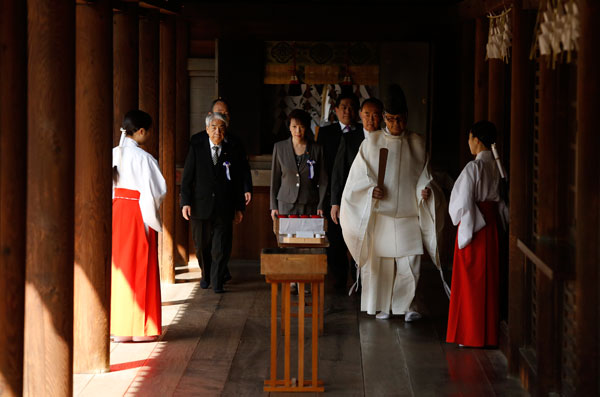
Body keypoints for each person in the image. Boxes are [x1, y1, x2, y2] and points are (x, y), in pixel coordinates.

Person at [340, 84, 444, 321]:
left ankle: (407, 306)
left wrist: (425, 192)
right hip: (383, 215)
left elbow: (425, 176)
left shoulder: (417, 143)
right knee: (382, 265)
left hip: (409, 214)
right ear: (385, 118)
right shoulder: (371, 143)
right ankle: (384, 306)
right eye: (390, 119)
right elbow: (357, 179)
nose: (395, 125)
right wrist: (369, 191)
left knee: (410, 263)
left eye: (400, 119)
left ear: (406, 117)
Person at [446, 121, 506, 347]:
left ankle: (470, 334)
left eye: (469, 138)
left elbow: (460, 203)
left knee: (471, 281)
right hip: (490, 227)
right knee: (488, 279)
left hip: (475, 225)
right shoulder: (497, 166)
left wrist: (465, 225)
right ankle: (487, 334)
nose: (468, 142)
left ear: (477, 140)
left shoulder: (475, 168)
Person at [111, 110, 167, 342]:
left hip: (116, 211)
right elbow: (157, 191)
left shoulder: (113, 154)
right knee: (140, 265)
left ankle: (121, 329)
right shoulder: (144, 158)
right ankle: (141, 329)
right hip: (136, 212)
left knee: (119, 269)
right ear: (142, 131)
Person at [181, 112, 245, 293]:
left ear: (226, 130)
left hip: (224, 207)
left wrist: (239, 207)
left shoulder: (231, 149)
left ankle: (217, 281)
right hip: (200, 206)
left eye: (221, 127)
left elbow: (238, 181)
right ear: (207, 129)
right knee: (201, 246)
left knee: (221, 246)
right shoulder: (197, 148)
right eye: (214, 127)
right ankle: (206, 274)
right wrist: (185, 202)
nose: (218, 131)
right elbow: (187, 178)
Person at [317, 92, 361, 291]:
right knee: (335, 240)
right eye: (343, 106)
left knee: (358, 240)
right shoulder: (326, 133)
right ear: (335, 110)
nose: (347, 110)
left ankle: (358, 279)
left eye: (351, 107)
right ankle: (339, 280)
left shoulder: (363, 132)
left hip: (357, 196)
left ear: (358, 111)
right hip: (333, 195)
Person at [330, 97, 383, 223]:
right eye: (367, 114)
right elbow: (339, 172)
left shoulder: (387, 140)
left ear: (382, 116)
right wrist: (335, 203)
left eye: (375, 115)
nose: (370, 119)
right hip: (354, 198)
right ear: (360, 114)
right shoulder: (349, 139)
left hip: (380, 199)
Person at [191, 98, 253, 206]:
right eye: (220, 113)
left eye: (226, 114)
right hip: (203, 199)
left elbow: (243, 168)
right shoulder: (197, 140)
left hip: (227, 198)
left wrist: (246, 188)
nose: (223, 117)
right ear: (210, 115)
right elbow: (190, 171)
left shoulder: (235, 142)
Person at [270, 109, 327, 219]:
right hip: (285, 204)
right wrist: (273, 206)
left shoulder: (317, 149)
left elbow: (323, 180)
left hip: (310, 204)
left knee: (307, 236)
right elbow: (275, 179)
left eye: (301, 126)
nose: (298, 131)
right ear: (289, 127)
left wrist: (321, 205)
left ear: (306, 127)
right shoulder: (279, 148)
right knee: (286, 236)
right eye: (294, 126)